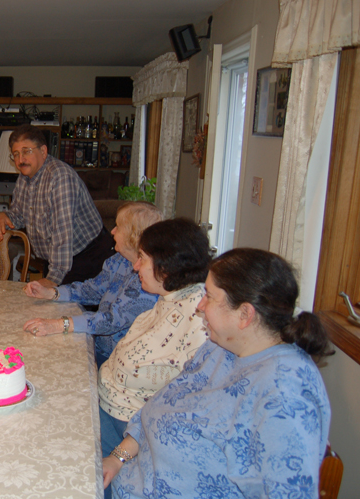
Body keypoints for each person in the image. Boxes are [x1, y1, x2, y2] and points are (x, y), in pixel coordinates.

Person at [104, 248, 332, 498]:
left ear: (245, 314)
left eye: (209, 297)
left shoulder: (285, 396)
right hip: (127, 480)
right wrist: (117, 459)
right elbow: (158, 406)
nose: (199, 307)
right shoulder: (220, 347)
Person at [96, 218, 211, 488]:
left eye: (143, 259)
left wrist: (119, 455)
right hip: (104, 407)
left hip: (126, 432)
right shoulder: (169, 299)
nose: (135, 267)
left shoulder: (199, 322)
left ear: (167, 266)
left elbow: (175, 407)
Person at [22, 201, 163, 367]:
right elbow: (93, 290)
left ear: (134, 236)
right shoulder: (119, 260)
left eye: (118, 227)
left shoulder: (148, 281)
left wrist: (60, 324)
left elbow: (110, 321)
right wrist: (52, 293)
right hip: (96, 345)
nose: (112, 232)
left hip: (116, 360)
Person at [0, 124, 114, 287]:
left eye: (26, 151)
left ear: (43, 151)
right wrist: (5, 216)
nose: (20, 160)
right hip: (58, 258)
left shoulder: (60, 178)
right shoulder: (25, 177)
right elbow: (20, 215)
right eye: (16, 154)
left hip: (87, 257)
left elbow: (62, 235)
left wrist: (52, 280)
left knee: (68, 310)